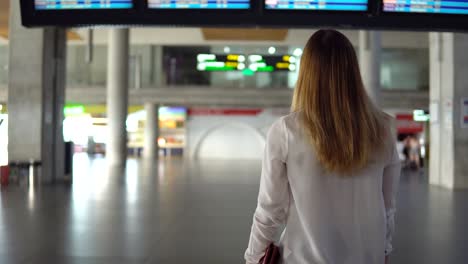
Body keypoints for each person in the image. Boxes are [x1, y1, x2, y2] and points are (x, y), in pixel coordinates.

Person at [244, 30, 401, 264]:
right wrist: (385, 251)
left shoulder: (286, 131)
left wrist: (253, 258)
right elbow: (387, 208)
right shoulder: (384, 129)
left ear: (306, 73)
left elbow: (270, 210)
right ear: (352, 73)